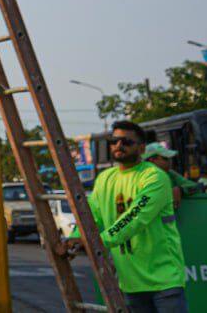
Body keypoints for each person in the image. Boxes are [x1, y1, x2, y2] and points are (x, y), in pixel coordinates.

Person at [64, 121, 187, 312]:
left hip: (164, 282)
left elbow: (135, 218)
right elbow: (92, 215)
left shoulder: (154, 177)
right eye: (114, 141)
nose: (118, 145)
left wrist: (93, 242)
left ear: (142, 147)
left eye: (126, 142)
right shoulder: (105, 178)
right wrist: (75, 237)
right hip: (129, 283)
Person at [142, 143, 199, 209]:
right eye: (165, 158)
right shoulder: (140, 176)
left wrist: (181, 190)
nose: (169, 161)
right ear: (152, 160)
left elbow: (195, 187)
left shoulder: (170, 173)